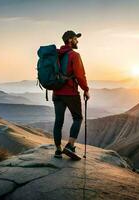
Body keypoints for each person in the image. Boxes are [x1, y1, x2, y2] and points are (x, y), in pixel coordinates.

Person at [53, 30, 90, 159]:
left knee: (58, 121)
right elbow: (80, 75)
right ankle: (70, 145)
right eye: (75, 38)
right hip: (70, 92)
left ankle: (58, 150)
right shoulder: (74, 55)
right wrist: (86, 89)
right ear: (69, 40)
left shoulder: (56, 55)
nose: (77, 41)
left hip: (56, 92)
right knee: (78, 118)